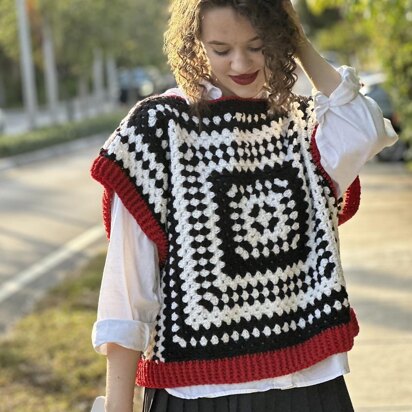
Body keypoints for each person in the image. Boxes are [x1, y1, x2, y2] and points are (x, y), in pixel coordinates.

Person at [90, 1, 397, 411]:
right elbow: (128, 292)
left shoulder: (305, 127)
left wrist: (296, 37)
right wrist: (116, 406)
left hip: (308, 386)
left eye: (257, 45)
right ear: (195, 44)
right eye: (221, 49)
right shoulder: (159, 130)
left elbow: (366, 127)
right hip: (196, 393)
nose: (240, 63)